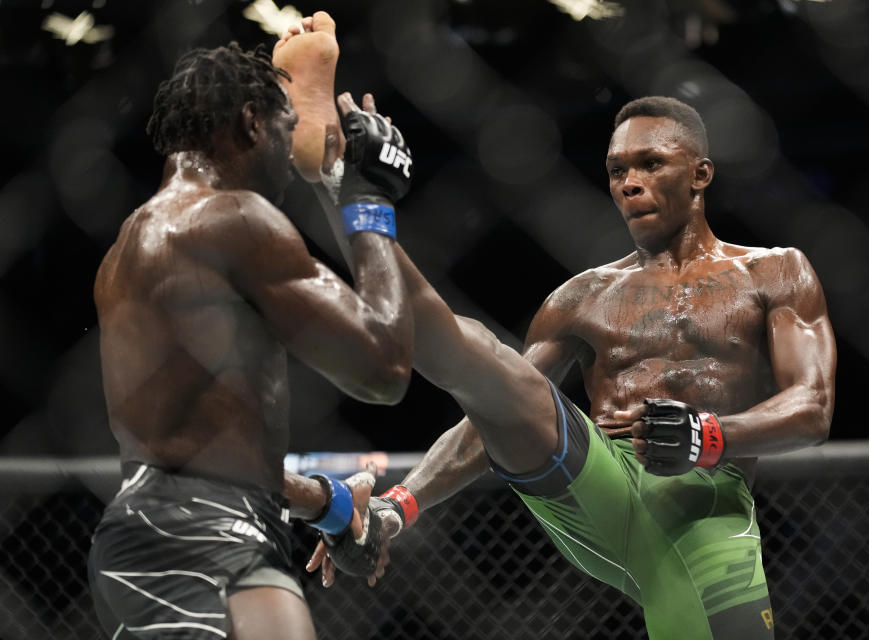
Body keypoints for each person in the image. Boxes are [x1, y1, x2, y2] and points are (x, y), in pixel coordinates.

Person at [316, 95, 837, 639]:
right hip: (599, 483)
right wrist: (399, 506)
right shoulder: (582, 297)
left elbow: (813, 407)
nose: (629, 183)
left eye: (650, 164)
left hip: (708, 500)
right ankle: (350, 191)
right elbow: (494, 412)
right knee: (483, 353)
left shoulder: (775, 271)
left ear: (700, 174)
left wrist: (709, 434)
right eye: (617, 171)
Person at [87, 20, 416, 639]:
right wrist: (368, 198)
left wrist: (329, 504)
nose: (292, 163)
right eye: (287, 131)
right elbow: (384, 367)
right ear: (249, 123)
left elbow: (196, 453)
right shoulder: (233, 217)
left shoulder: (130, 245)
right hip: (203, 540)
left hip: (164, 532)